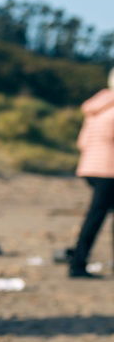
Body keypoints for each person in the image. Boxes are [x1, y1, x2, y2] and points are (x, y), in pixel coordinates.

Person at [68, 67, 114, 279]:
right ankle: (77, 264)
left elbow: (82, 141)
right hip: (108, 170)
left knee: (97, 215)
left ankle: (78, 261)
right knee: (96, 216)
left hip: (89, 167)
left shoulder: (96, 107)